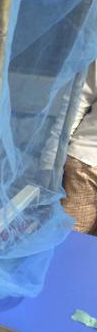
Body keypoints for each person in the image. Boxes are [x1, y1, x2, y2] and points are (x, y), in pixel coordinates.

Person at [61, 61, 97, 234]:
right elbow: (78, 101)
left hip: (86, 159)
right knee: (72, 239)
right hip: (86, 164)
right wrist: (52, 158)